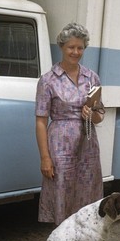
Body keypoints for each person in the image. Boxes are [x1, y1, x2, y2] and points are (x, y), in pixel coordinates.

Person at [35, 22, 104, 226]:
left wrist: (91, 114)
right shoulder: (48, 80)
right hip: (60, 144)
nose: (76, 52)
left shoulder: (92, 78)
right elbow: (40, 121)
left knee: (86, 192)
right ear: (62, 47)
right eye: (71, 47)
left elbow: (100, 114)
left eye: (80, 47)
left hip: (87, 145)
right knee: (62, 192)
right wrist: (45, 158)